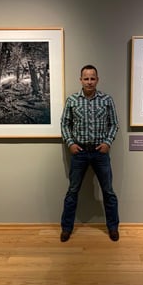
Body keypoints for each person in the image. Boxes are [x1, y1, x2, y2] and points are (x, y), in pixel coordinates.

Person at [59, 64, 120, 242]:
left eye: (92, 78)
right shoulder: (72, 100)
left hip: (100, 153)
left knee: (108, 191)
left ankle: (113, 227)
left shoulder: (107, 100)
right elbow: (64, 124)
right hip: (79, 152)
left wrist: (108, 142)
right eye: (86, 78)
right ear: (81, 80)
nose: (89, 82)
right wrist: (70, 143)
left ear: (97, 79)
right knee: (72, 191)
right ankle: (66, 228)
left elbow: (114, 124)